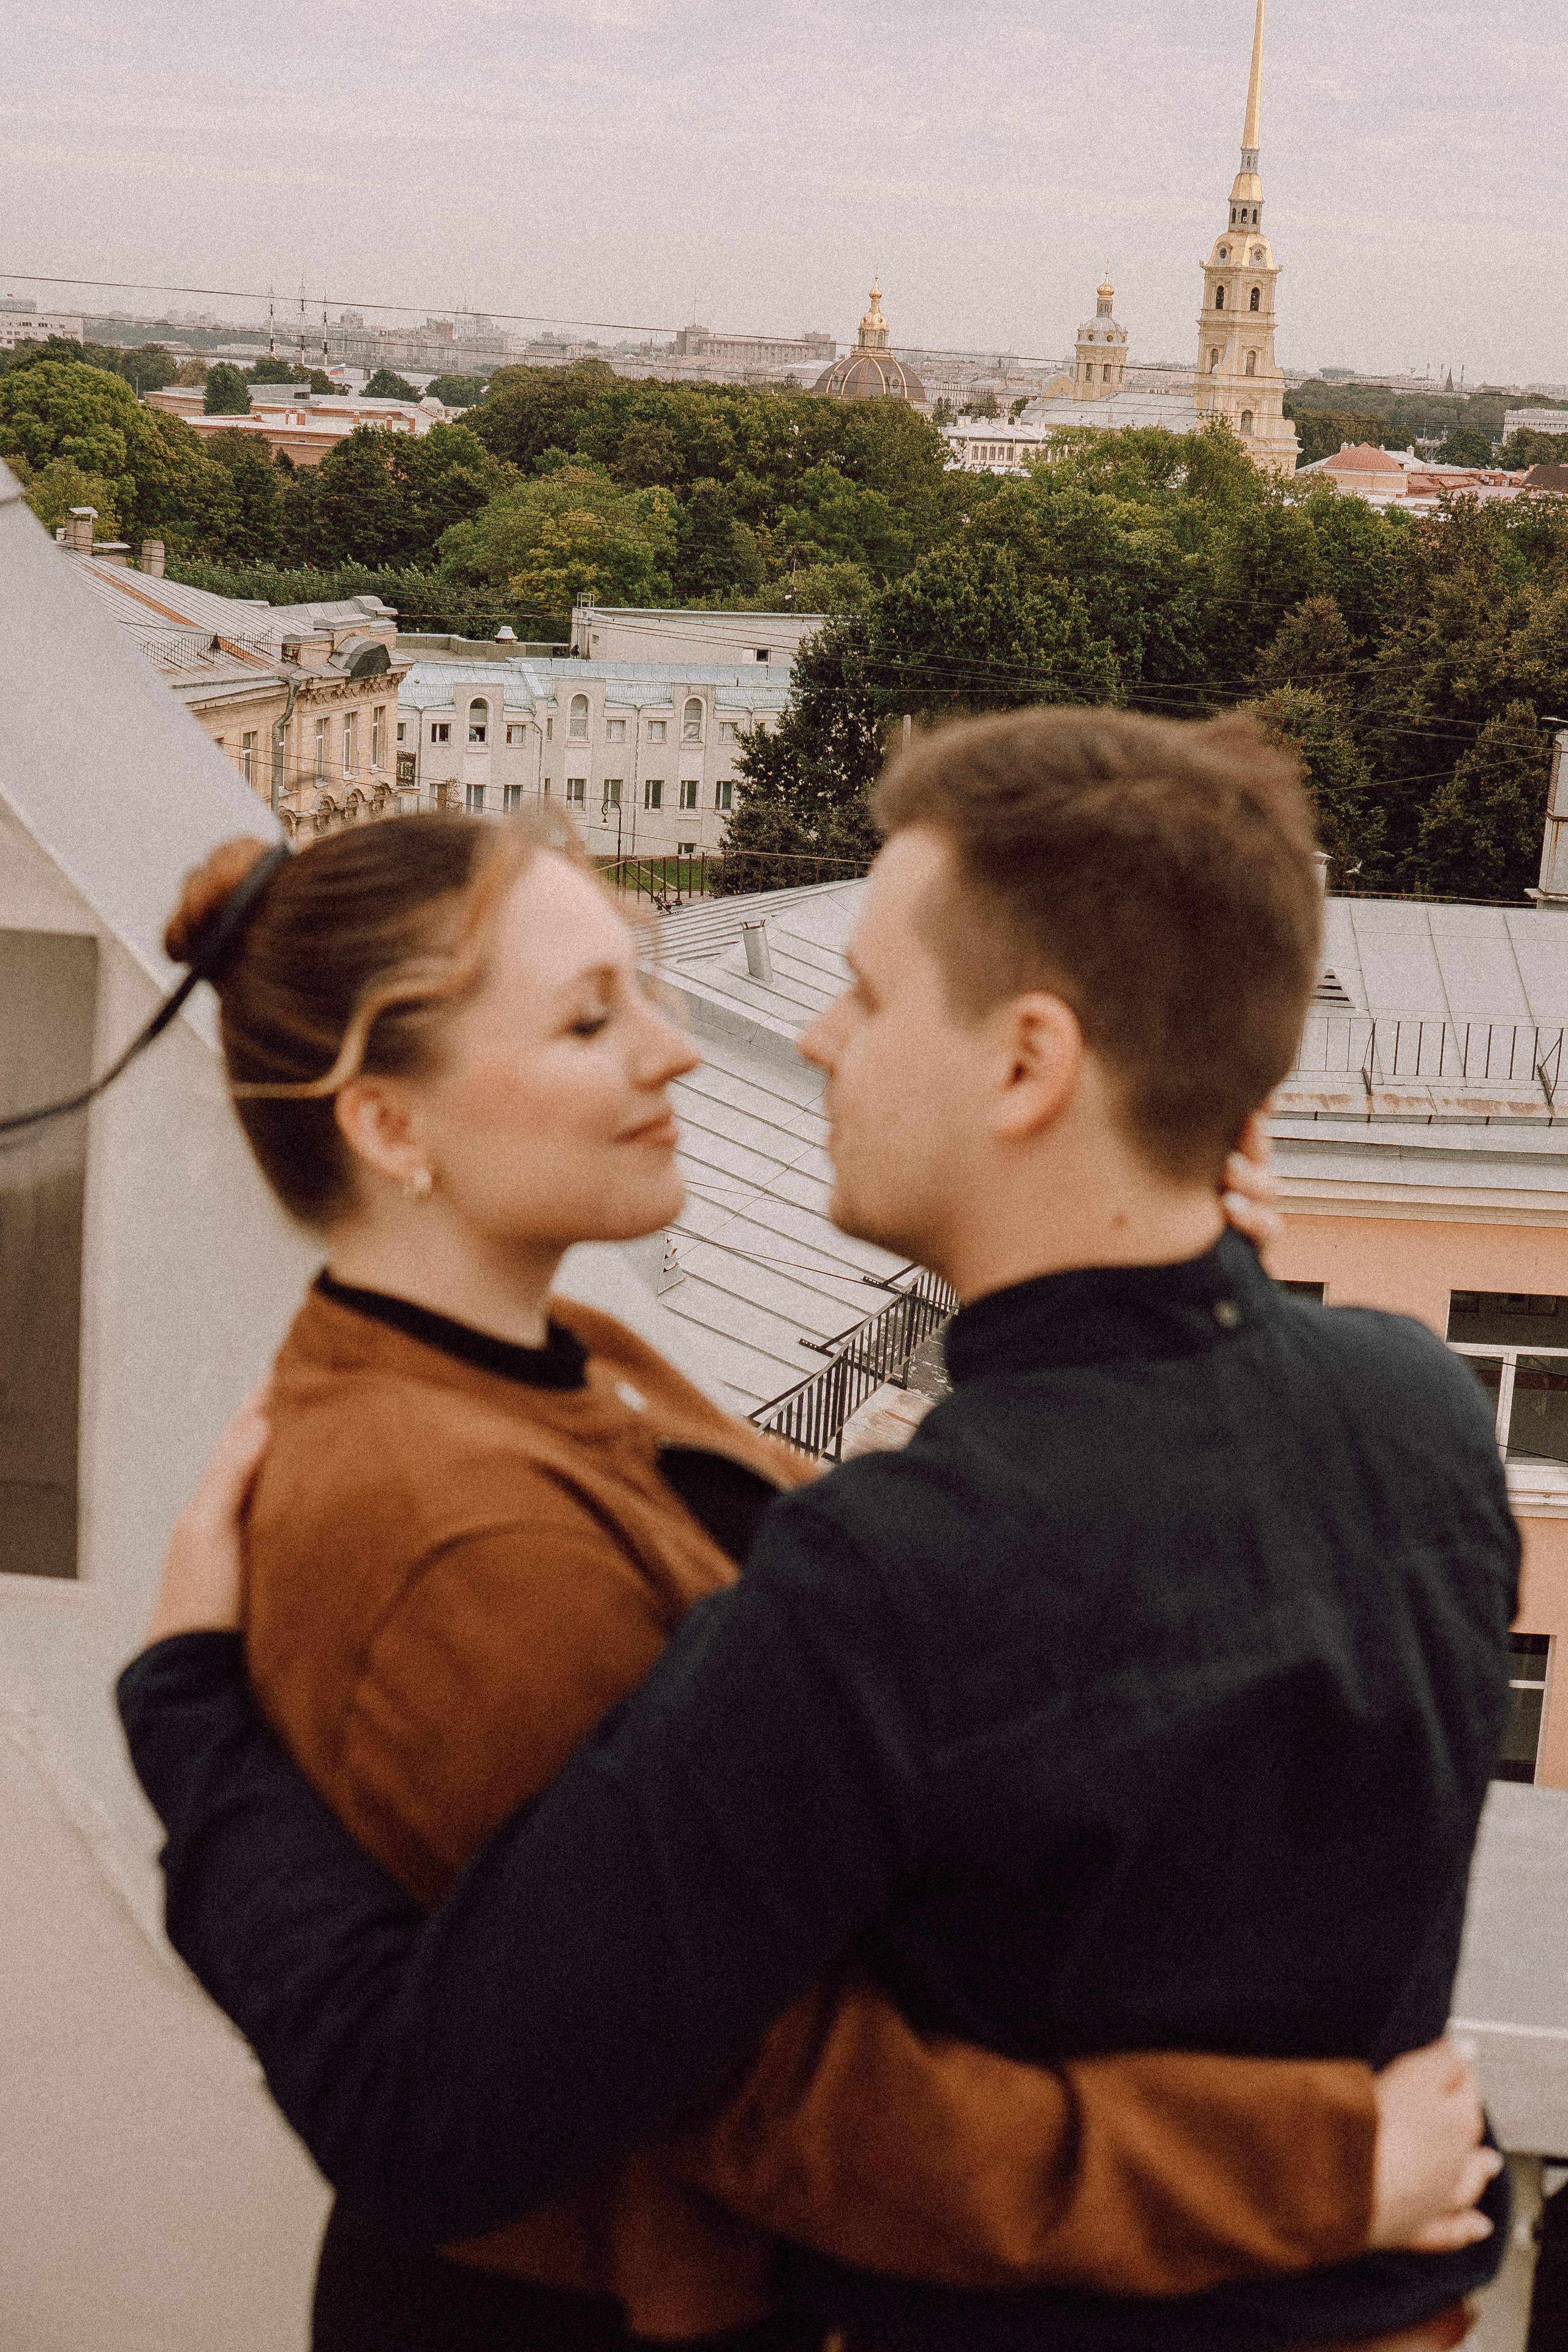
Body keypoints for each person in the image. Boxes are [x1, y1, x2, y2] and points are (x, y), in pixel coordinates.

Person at [119, 709, 1519, 2352]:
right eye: (592, 1014)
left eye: (862, 992)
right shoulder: (1417, 1405)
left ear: (1030, 1065)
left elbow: (501, 2087)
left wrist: (191, 1719)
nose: (792, 1041)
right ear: (385, 1122)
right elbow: (688, 2086)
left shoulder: (847, 1538)